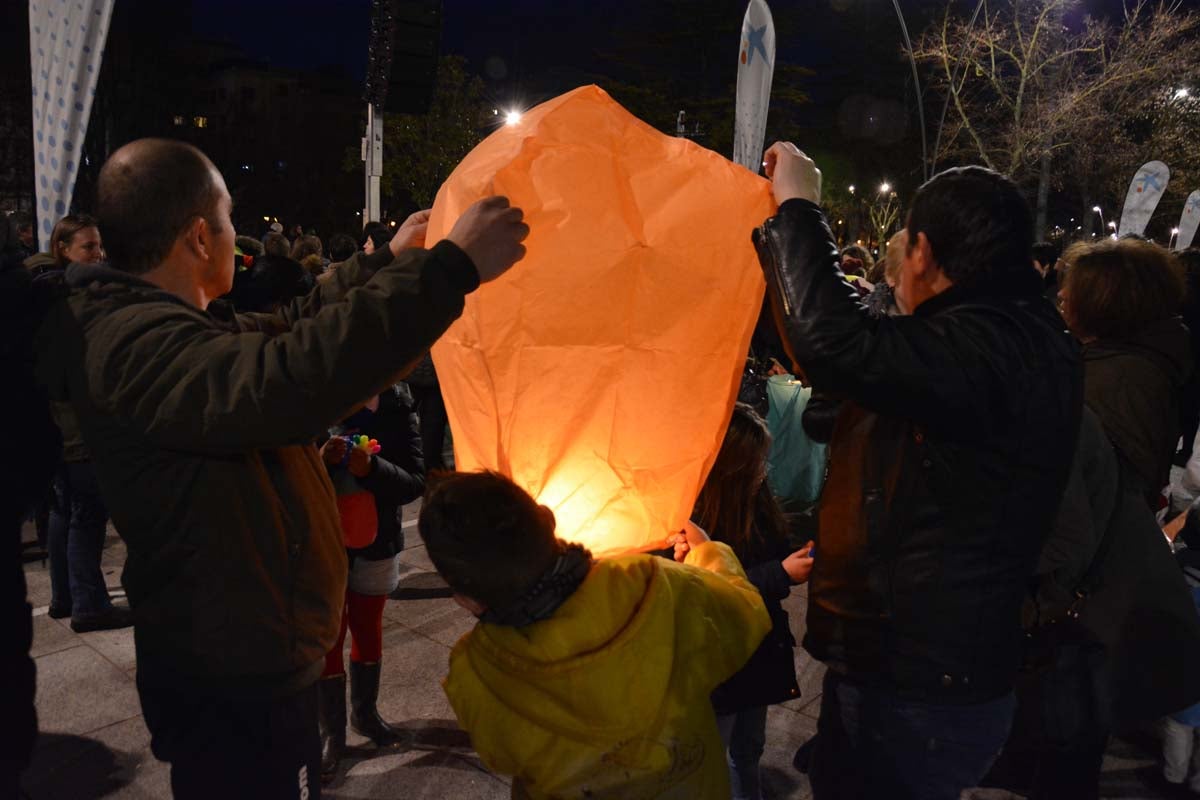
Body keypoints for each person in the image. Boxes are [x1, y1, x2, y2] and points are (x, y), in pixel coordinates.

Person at [33, 138, 529, 799]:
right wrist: (450, 269)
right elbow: (286, 378)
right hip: (232, 680)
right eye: (229, 216)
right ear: (199, 239)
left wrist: (386, 262)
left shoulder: (168, 324)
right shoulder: (131, 343)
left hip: (251, 658)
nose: (239, 233)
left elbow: (289, 329)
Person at [756, 143, 1081, 800]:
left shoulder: (989, 344)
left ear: (923, 253)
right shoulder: (1009, 335)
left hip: (920, 684)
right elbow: (843, 384)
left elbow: (829, 344)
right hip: (916, 671)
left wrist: (798, 206)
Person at [418, 470, 772, 799]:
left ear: (463, 597)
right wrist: (707, 551)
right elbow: (743, 615)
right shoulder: (648, 584)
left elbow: (500, 754)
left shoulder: (475, 669)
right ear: (547, 518)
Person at [693, 403, 813, 800]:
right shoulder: (692, 522)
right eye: (756, 461)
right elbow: (708, 586)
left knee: (749, 748)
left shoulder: (757, 500)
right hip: (720, 661)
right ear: (731, 468)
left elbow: (771, 555)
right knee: (710, 756)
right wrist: (780, 573)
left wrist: (794, 560)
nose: (764, 468)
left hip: (758, 649)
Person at [316, 384, 425, 780]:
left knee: (367, 626)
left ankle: (365, 715)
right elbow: (287, 478)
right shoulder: (312, 395)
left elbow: (415, 481)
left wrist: (372, 469)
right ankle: (332, 734)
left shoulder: (397, 404)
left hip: (378, 538)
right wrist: (321, 462)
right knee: (330, 633)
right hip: (324, 542)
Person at [1058, 238, 1191, 508]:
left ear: (1105, 300)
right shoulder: (1129, 359)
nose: (1061, 294)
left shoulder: (1118, 379)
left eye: (1076, 286)